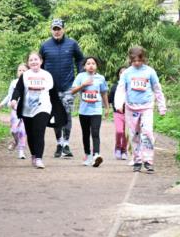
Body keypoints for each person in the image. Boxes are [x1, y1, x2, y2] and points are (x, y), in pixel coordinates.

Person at [9, 51, 66, 169]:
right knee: (30, 134)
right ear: (28, 63)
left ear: (41, 61)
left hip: (43, 107)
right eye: (31, 60)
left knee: (39, 132)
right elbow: (18, 90)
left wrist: (57, 110)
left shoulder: (47, 75)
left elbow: (53, 94)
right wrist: (14, 99)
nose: (34, 62)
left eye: (36, 59)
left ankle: (39, 158)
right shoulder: (25, 75)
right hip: (27, 109)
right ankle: (34, 155)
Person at [38, 18, 85, 159]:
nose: (57, 31)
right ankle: (59, 143)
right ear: (51, 30)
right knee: (55, 116)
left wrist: (80, 75)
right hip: (51, 88)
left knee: (67, 115)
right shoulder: (45, 46)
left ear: (64, 29)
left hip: (68, 87)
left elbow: (80, 59)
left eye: (59, 28)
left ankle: (66, 144)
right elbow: (39, 64)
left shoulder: (72, 44)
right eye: (54, 29)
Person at [120, 45, 167, 173]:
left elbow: (157, 88)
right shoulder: (126, 73)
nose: (137, 63)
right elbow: (121, 89)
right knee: (134, 134)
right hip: (131, 107)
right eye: (134, 61)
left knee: (147, 132)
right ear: (130, 60)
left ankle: (148, 161)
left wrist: (162, 106)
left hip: (146, 107)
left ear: (143, 59)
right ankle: (137, 160)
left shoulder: (150, 71)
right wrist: (119, 104)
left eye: (139, 60)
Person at [70, 56, 110, 167]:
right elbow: (72, 91)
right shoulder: (80, 76)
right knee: (85, 134)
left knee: (95, 132)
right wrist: (83, 85)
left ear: (96, 66)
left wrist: (107, 108)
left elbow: (104, 93)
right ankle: (87, 155)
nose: (91, 65)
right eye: (88, 63)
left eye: (93, 63)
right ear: (84, 66)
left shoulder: (100, 78)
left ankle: (96, 155)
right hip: (84, 111)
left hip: (96, 110)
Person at [0, 63, 29, 160]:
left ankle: (21, 151)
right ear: (17, 72)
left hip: (26, 110)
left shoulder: (30, 82)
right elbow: (9, 95)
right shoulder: (13, 82)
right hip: (15, 110)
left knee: (23, 131)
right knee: (14, 130)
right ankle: (16, 141)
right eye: (20, 70)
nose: (21, 72)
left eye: (24, 70)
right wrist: (2, 103)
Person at [109, 66, 129, 160]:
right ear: (118, 74)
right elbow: (110, 99)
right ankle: (117, 147)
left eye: (125, 72)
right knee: (119, 131)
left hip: (129, 113)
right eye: (121, 72)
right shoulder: (114, 87)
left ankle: (124, 150)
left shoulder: (131, 86)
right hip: (118, 113)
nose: (123, 74)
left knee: (126, 133)